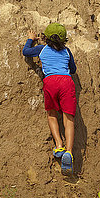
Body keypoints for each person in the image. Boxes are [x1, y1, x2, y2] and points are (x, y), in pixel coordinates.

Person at [22, 23, 77, 175]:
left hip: (50, 81)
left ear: (45, 37)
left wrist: (30, 39)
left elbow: (26, 52)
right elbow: (73, 70)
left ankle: (59, 144)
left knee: (52, 114)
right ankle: (69, 151)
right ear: (63, 40)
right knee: (69, 118)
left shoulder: (42, 49)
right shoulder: (67, 51)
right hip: (66, 82)